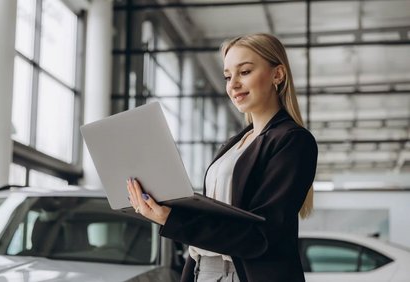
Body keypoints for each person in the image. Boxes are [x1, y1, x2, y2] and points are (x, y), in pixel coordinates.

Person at [127, 33, 318, 282]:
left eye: (245, 72)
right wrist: (167, 208)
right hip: (203, 269)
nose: (233, 84)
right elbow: (215, 218)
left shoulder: (293, 140)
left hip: (243, 274)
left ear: (277, 75)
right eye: (228, 76)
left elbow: (262, 236)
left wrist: (172, 219)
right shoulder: (234, 145)